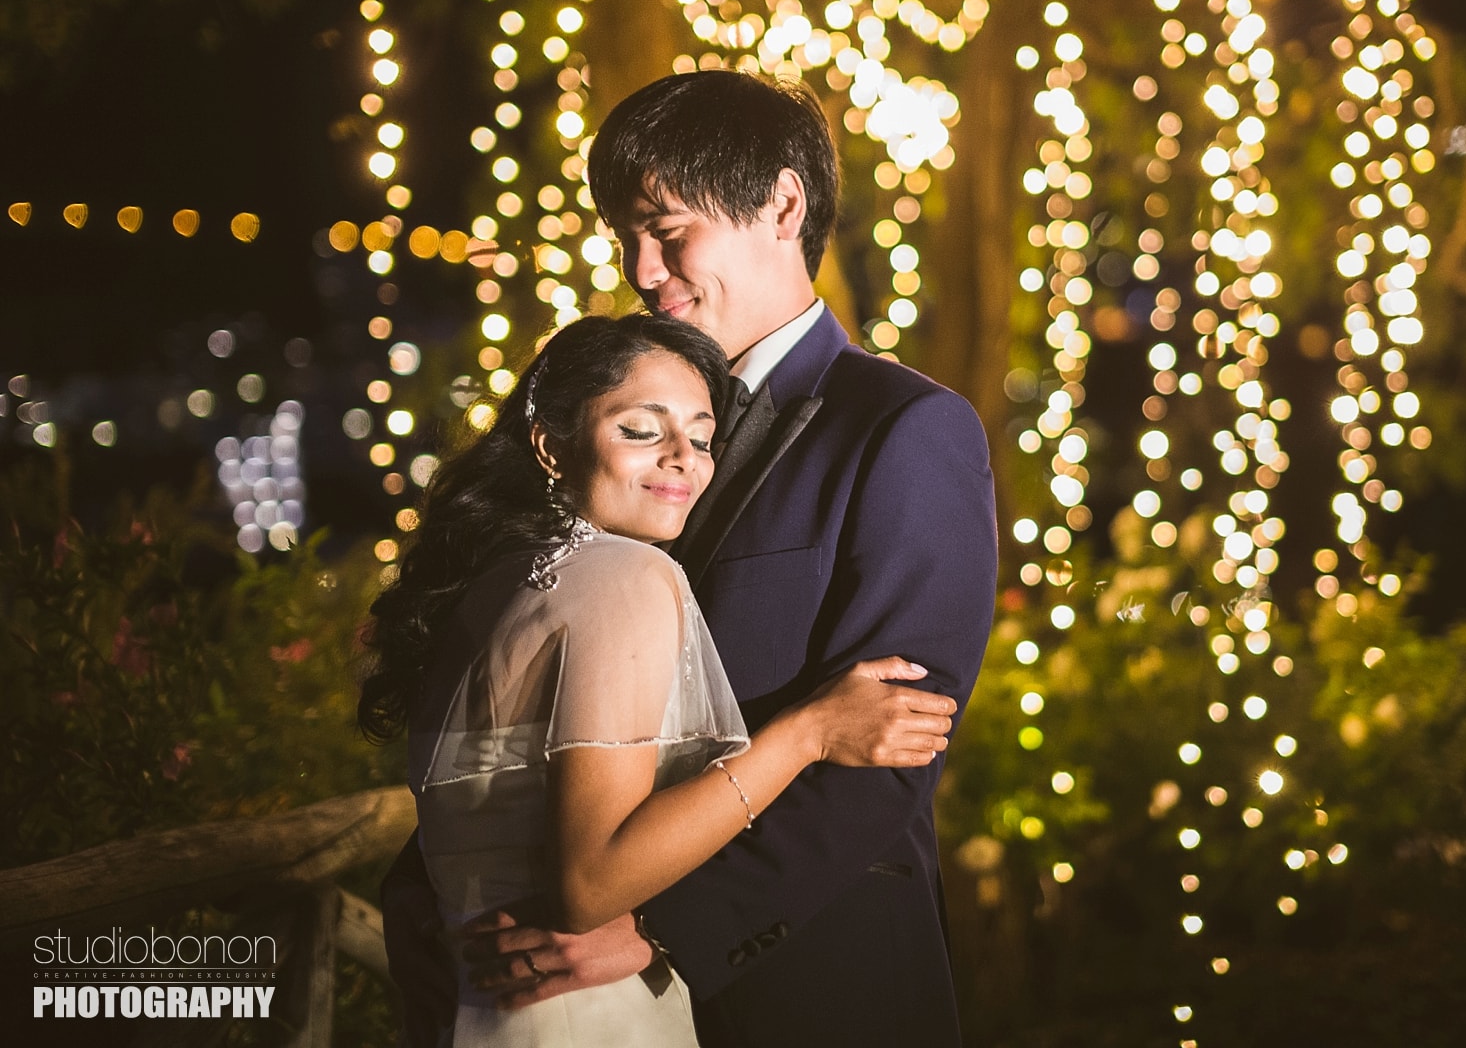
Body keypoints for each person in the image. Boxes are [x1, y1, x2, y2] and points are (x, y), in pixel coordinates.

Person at [381, 69, 999, 1046]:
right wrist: (433, 898)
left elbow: (890, 756)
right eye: (625, 237)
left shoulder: (904, 429)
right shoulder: (608, 420)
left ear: (783, 205)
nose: (641, 266)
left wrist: (658, 929)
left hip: (805, 986)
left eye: (667, 231)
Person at [360, 313, 958, 1047]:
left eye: (701, 439)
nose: (683, 459)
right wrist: (807, 733)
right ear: (551, 445)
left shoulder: (486, 585)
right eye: (642, 430)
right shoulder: (625, 575)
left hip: (476, 1009)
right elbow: (590, 886)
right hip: (585, 1013)